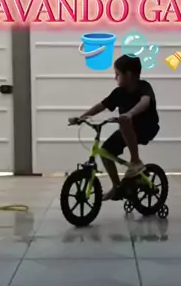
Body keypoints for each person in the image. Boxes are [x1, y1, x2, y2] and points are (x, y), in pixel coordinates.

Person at [68, 54, 160, 201]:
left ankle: (135, 161)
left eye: (117, 74)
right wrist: (81, 118)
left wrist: (130, 113)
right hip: (126, 129)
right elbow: (101, 106)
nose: (115, 77)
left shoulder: (143, 87)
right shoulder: (119, 92)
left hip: (146, 128)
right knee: (105, 151)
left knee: (124, 121)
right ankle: (117, 187)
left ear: (128, 75)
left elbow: (145, 101)